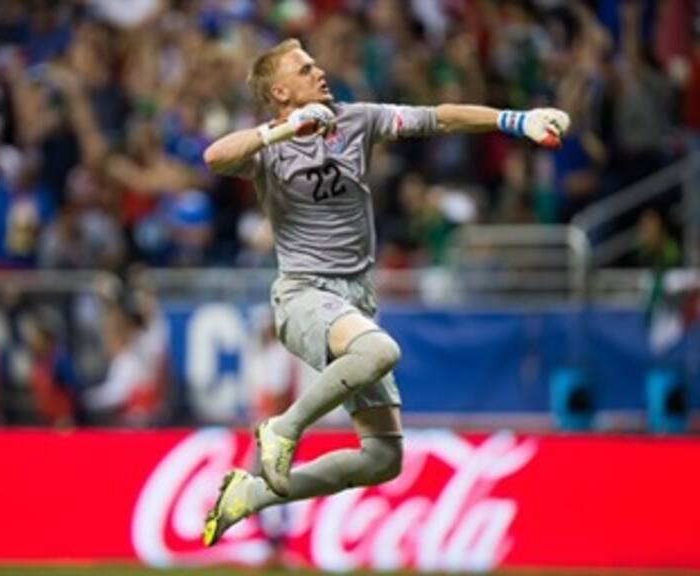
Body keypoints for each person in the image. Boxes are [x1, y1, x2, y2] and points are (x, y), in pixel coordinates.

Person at [201, 37, 569, 546]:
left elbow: (439, 117)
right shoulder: (269, 146)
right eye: (306, 69)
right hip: (303, 294)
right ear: (281, 90)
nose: (320, 71)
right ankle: (282, 430)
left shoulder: (356, 119)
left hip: (354, 298)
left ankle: (251, 495)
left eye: (316, 62)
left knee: (382, 459)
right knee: (381, 350)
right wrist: (285, 129)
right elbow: (215, 156)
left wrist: (515, 120)